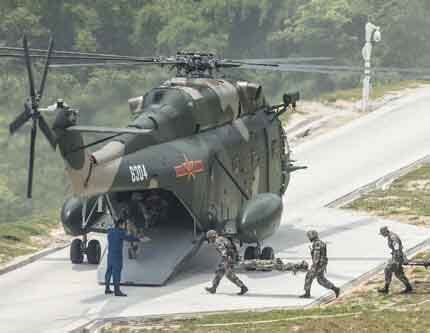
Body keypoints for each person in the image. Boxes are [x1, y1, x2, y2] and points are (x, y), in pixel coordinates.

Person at [205, 230, 248, 295]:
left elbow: (223, 249)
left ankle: (243, 287)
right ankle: (213, 288)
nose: (209, 240)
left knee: (229, 275)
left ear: (212, 237)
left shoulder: (217, 241)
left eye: (209, 238)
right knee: (219, 272)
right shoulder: (222, 238)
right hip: (230, 256)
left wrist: (226, 257)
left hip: (228, 258)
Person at [105, 218, 141, 296]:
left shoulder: (110, 231)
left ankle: (107, 288)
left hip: (110, 255)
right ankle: (117, 291)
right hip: (117, 256)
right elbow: (129, 238)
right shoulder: (121, 232)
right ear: (121, 225)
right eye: (124, 225)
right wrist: (139, 239)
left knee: (109, 271)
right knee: (116, 273)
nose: (125, 226)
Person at [300, 230, 340, 299]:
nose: (309, 238)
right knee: (321, 280)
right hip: (322, 264)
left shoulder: (317, 244)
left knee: (309, 277)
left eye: (309, 236)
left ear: (312, 236)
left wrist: (314, 266)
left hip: (318, 264)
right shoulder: (320, 243)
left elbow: (316, 256)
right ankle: (335, 289)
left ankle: (307, 293)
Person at [378, 226, 413, 294]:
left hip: (397, 257)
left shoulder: (393, 237)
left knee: (387, 269)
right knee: (398, 273)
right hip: (397, 256)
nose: (382, 235)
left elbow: (397, 249)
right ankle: (408, 287)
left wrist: (397, 260)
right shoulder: (390, 236)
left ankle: (386, 288)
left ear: (385, 232)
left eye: (382, 233)